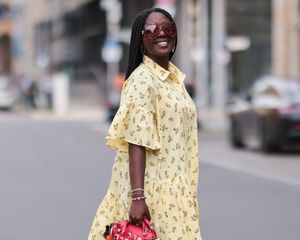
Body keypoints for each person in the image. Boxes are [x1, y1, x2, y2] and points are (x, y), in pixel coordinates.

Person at [88, 8, 203, 240]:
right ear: (141, 40)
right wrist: (138, 197)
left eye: (169, 28)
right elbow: (136, 141)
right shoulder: (142, 80)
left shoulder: (175, 80)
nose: (162, 34)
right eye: (152, 30)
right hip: (152, 191)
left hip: (176, 190)